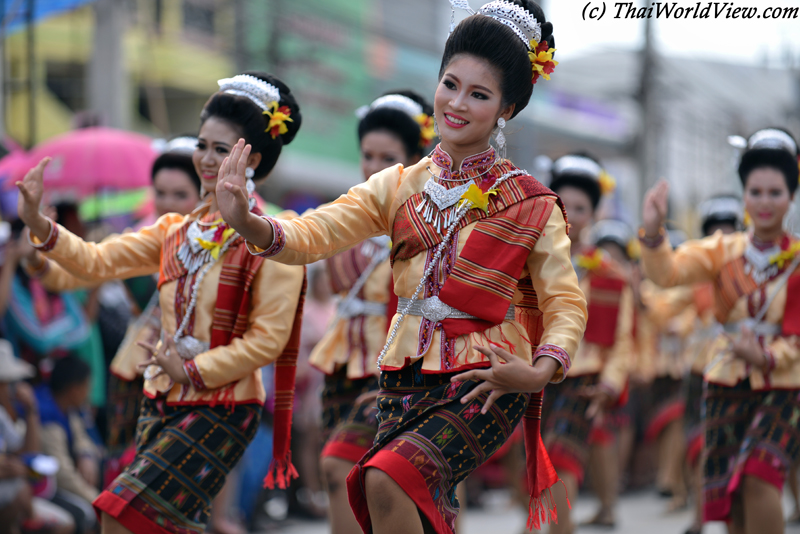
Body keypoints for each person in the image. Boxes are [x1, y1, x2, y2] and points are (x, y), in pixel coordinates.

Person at [216, 3, 587, 533]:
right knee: (401, 505)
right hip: (403, 375)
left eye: (478, 95)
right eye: (450, 84)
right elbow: (316, 232)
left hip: (486, 381)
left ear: (506, 108)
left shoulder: (531, 203)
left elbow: (564, 302)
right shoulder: (397, 185)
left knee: (385, 480)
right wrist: (250, 224)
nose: (456, 104)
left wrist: (538, 371)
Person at [16, 71, 307, 534]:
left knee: (120, 512)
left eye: (221, 149)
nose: (206, 159)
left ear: (250, 158)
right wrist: (39, 227)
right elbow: (94, 262)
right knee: (169, 527)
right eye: (203, 145)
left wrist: (191, 370)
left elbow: (268, 340)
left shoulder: (273, 235)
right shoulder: (176, 230)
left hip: (224, 407)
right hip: (162, 398)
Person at [640, 127, 800, 534]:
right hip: (726, 378)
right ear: (744, 194)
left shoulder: (797, 261)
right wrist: (655, 234)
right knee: (730, 488)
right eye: (756, 191)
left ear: (791, 196)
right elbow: (667, 274)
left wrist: (764, 357)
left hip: (782, 385)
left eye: (775, 192)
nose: (765, 202)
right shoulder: (720, 250)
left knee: (758, 476)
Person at [313, 90, 434, 534]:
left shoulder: (426, 222)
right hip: (343, 362)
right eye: (368, 155)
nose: (374, 166)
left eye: (389, 157)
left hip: (395, 368)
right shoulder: (346, 215)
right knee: (359, 482)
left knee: (342, 467)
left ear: (415, 157)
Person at [546, 156, 634, 533]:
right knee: (538, 463)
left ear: (595, 215)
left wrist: (611, 384)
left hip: (583, 378)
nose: (569, 215)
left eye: (580, 208)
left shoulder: (610, 275)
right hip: (533, 376)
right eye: (561, 204)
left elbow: (621, 339)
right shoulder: (530, 261)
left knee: (560, 459)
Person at [681, 195, 742, 534]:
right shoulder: (695, 276)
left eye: (727, 230)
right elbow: (665, 302)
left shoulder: (753, 272)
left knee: (734, 449)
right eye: (714, 231)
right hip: (699, 371)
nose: (721, 238)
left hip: (736, 372)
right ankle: (699, 516)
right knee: (697, 445)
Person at [35, 356, 99, 534]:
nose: (89, 392)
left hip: (60, 479)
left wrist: (86, 455)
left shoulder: (65, 404)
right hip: (44, 486)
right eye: (86, 386)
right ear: (73, 389)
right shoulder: (46, 417)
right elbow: (63, 475)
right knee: (84, 513)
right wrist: (98, 501)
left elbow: (81, 436)